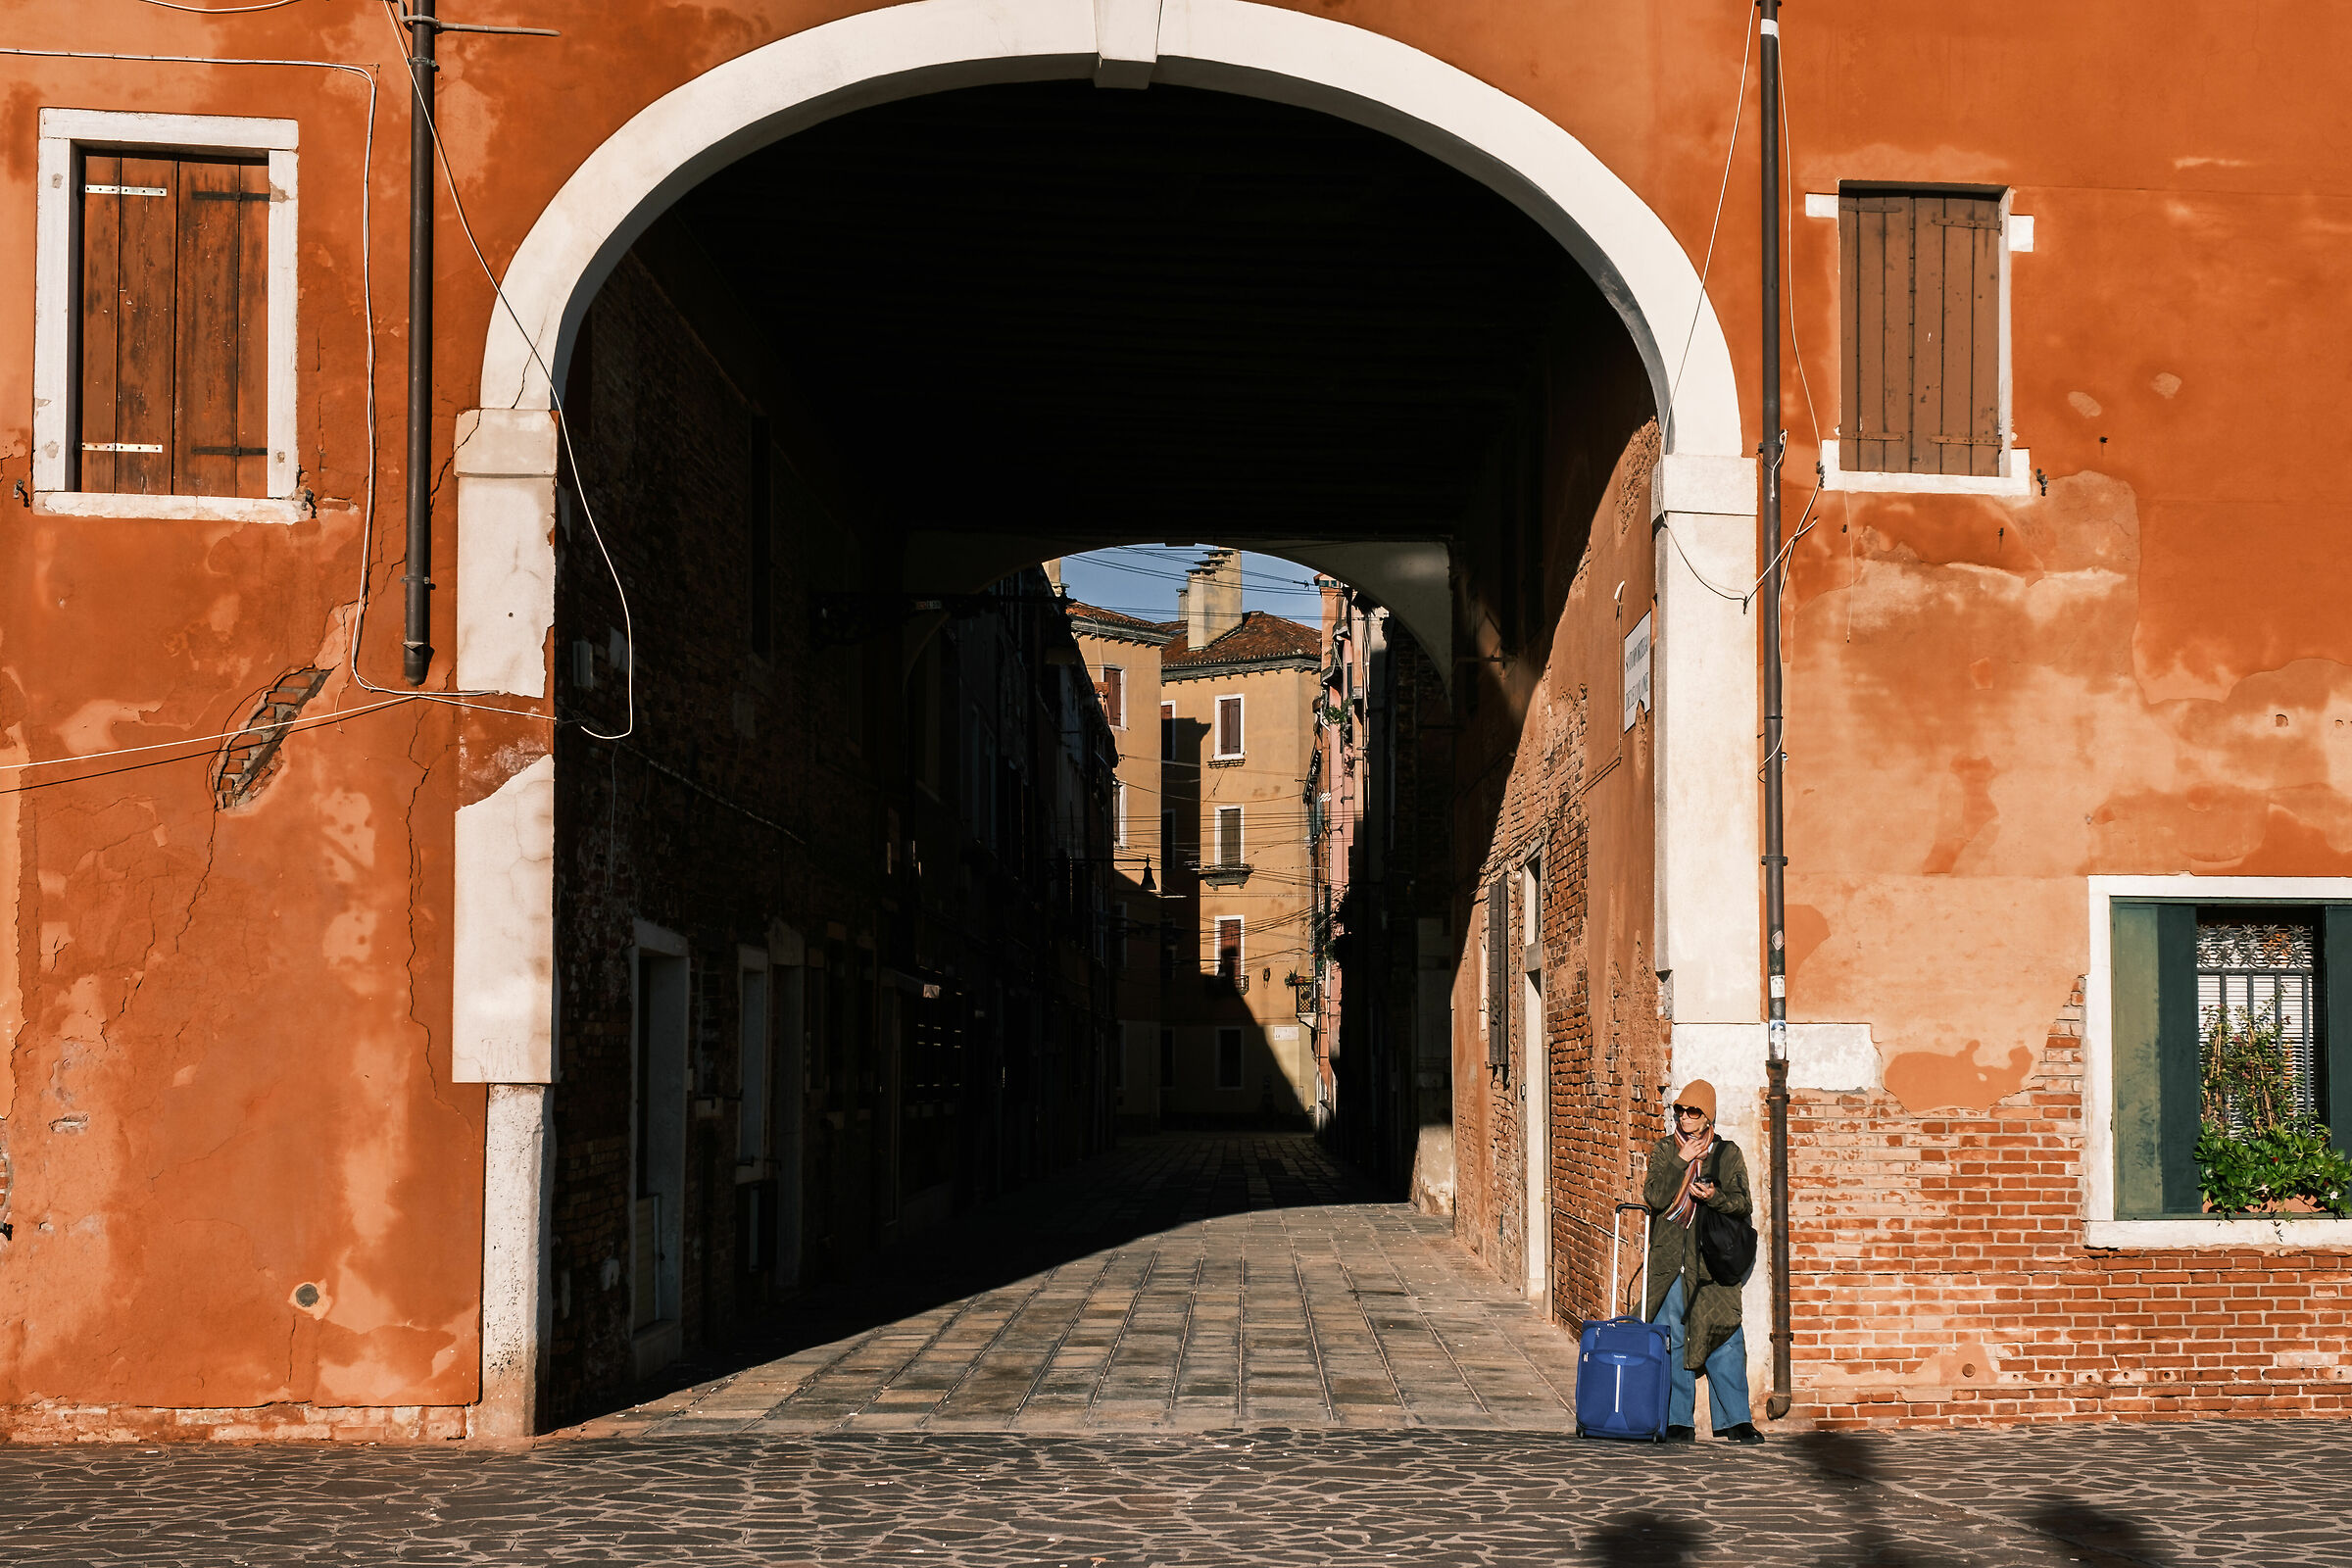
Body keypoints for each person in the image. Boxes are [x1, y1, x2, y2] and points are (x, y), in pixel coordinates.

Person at [1643, 1078, 1763, 1444]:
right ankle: (1678, 1420)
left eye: (1693, 1112)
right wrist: (1681, 1161)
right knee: (1673, 1338)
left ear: (1707, 1117)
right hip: (1671, 1262)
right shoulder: (1665, 1151)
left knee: (1725, 1334)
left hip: (1713, 1264)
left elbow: (1743, 1204)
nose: (1684, 1118)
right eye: (1679, 1111)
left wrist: (1713, 1196)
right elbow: (1655, 1198)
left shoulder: (1727, 1154)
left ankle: (1735, 1420)